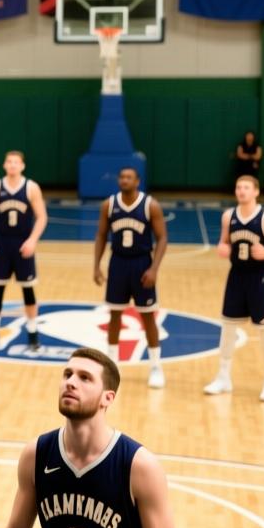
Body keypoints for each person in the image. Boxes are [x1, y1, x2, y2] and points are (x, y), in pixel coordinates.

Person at [0, 348, 178, 528]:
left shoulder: (139, 466)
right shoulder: (37, 455)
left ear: (107, 398)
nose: (71, 382)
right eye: (67, 374)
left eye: (85, 378)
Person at [204, 175, 264, 402]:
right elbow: (224, 242)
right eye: (238, 187)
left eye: (246, 187)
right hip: (236, 277)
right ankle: (223, 377)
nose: (241, 191)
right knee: (228, 327)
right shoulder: (228, 216)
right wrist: (222, 247)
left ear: (256, 191)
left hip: (259, 278)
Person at [91, 166, 169, 388]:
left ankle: (155, 366)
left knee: (147, 316)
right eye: (121, 176)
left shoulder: (150, 205)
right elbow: (101, 235)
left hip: (141, 263)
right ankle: (112, 366)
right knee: (114, 315)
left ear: (138, 181)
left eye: (129, 177)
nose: (124, 180)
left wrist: (154, 268)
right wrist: (97, 266)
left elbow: (162, 238)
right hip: (118, 263)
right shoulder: (109, 204)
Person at [0, 151, 48, 352]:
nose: (12, 165)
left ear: (22, 166)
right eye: (9, 161)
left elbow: (42, 217)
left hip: (22, 244)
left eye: (16, 162)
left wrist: (33, 241)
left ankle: (33, 334)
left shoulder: (31, 187)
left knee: (28, 290)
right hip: (2, 243)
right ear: (4, 165)